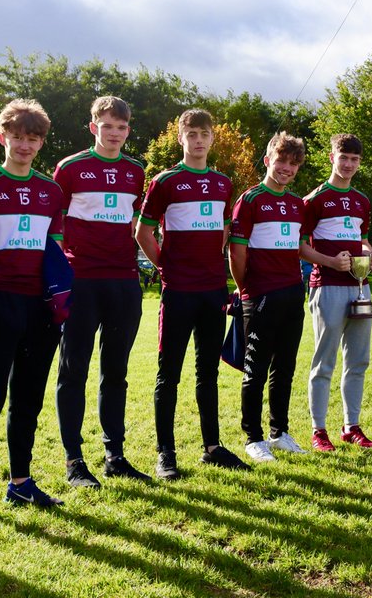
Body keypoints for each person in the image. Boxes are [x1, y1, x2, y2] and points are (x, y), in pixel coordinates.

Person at [0, 99, 70, 522]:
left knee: (28, 398)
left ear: (41, 142)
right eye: (18, 136)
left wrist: (57, 299)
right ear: (3, 137)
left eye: (33, 138)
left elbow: (53, 252)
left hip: (39, 308)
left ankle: (20, 483)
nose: (25, 145)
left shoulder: (51, 190)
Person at [136, 108, 250, 478]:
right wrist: (166, 267)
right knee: (169, 373)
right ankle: (165, 454)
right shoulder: (165, 181)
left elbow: (223, 230)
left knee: (208, 373)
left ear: (212, 138)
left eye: (204, 134)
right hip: (178, 291)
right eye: (192, 134)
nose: (198, 140)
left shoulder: (222, 183)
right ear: (181, 138)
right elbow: (143, 233)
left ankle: (212, 447)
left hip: (213, 290)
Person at [53, 96, 150, 487]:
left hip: (124, 281)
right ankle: (74, 460)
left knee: (117, 371)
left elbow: (135, 222)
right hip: (81, 280)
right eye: (107, 126)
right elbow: (53, 224)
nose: (115, 134)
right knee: (73, 370)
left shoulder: (135, 171)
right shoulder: (70, 168)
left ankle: (115, 454)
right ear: (94, 127)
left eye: (122, 128)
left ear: (128, 130)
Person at [229, 132, 316, 462]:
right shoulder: (250, 199)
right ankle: (253, 438)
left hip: (293, 294)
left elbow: (299, 247)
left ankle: (279, 432)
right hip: (260, 296)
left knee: (286, 367)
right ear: (268, 161)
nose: (287, 168)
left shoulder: (297, 205)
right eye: (281, 161)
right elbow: (237, 253)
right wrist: (244, 289)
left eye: (294, 164)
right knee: (256, 369)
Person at [301, 134, 372, 451]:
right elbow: (300, 246)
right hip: (328, 287)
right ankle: (318, 430)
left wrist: (369, 252)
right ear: (332, 158)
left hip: (359, 288)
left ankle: (351, 426)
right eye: (343, 157)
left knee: (358, 361)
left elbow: (360, 238)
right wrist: (330, 262)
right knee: (324, 363)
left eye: (355, 160)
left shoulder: (362, 200)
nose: (348, 164)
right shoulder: (315, 199)